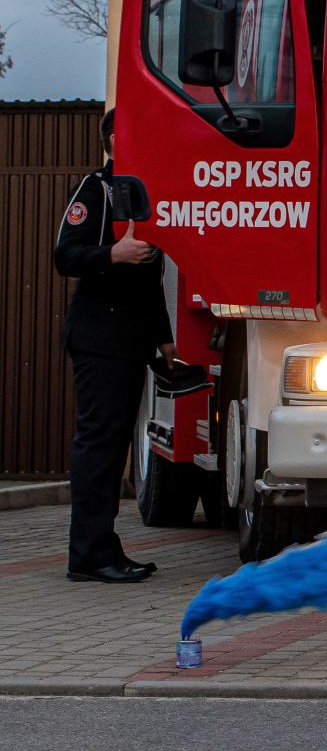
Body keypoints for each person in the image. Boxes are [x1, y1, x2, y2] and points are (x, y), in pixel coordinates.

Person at [53, 109, 175, 584]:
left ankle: (102, 546)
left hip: (130, 343)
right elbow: (65, 254)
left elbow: (150, 278)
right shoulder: (96, 189)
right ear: (114, 140)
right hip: (99, 340)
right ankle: (87, 555)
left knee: (113, 448)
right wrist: (112, 253)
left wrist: (164, 340)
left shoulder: (141, 195)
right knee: (98, 448)